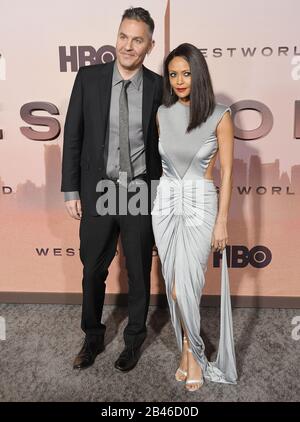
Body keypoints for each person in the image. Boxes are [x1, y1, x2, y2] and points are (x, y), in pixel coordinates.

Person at [61, 7, 162, 372]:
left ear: (150, 45)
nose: (128, 45)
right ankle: (92, 337)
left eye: (137, 40)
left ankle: (134, 340)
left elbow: (161, 144)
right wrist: (71, 190)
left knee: (138, 271)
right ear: (116, 36)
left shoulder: (157, 86)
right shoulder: (88, 78)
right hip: (99, 187)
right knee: (93, 271)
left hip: (137, 190)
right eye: (123, 36)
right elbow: (73, 135)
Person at [151, 43, 237, 391]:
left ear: (198, 74)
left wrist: (222, 221)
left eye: (186, 73)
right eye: (173, 74)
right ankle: (187, 347)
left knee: (188, 283)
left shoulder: (220, 115)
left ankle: (195, 353)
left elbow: (228, 173)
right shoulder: (161, 113)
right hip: (166, 203)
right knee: (173, 288)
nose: (179, 80)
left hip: (201, 204)